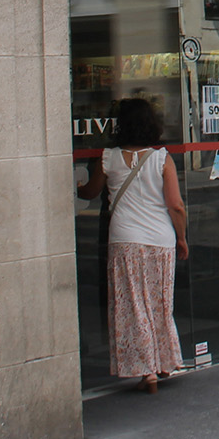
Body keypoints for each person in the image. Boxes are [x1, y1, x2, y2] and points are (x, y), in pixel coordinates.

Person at [76, 97, 187, 393]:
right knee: (160, 304)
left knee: (133, 306)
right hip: (160, 239)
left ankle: (146, 371)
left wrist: (76, 186)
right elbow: (175, 205)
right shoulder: (162, 159)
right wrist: (183, 238)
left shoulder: (108, 158)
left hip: (124, 240)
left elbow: (90, 192)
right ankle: (164, 362)